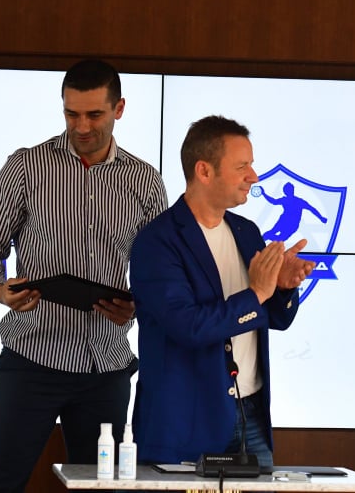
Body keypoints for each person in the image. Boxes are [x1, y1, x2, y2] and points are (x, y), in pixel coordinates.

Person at [0, 59, 168, 492]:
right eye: (71, 113)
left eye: (94, 114)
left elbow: (161, 273)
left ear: (119, 109)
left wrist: (137, 307)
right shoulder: (27, 167)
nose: (81, 126)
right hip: (30, 358)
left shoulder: (145, 182)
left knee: (103, 490)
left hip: (106, 365)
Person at [129, 115, 315, 467]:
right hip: (185, 424)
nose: (254, 177)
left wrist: (281, 288)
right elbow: (189, 327)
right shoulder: (156, 242)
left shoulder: (247, 231)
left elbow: (273, 318)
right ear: (204, 171)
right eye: (242, 166)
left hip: (251, 416)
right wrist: (257, 292)